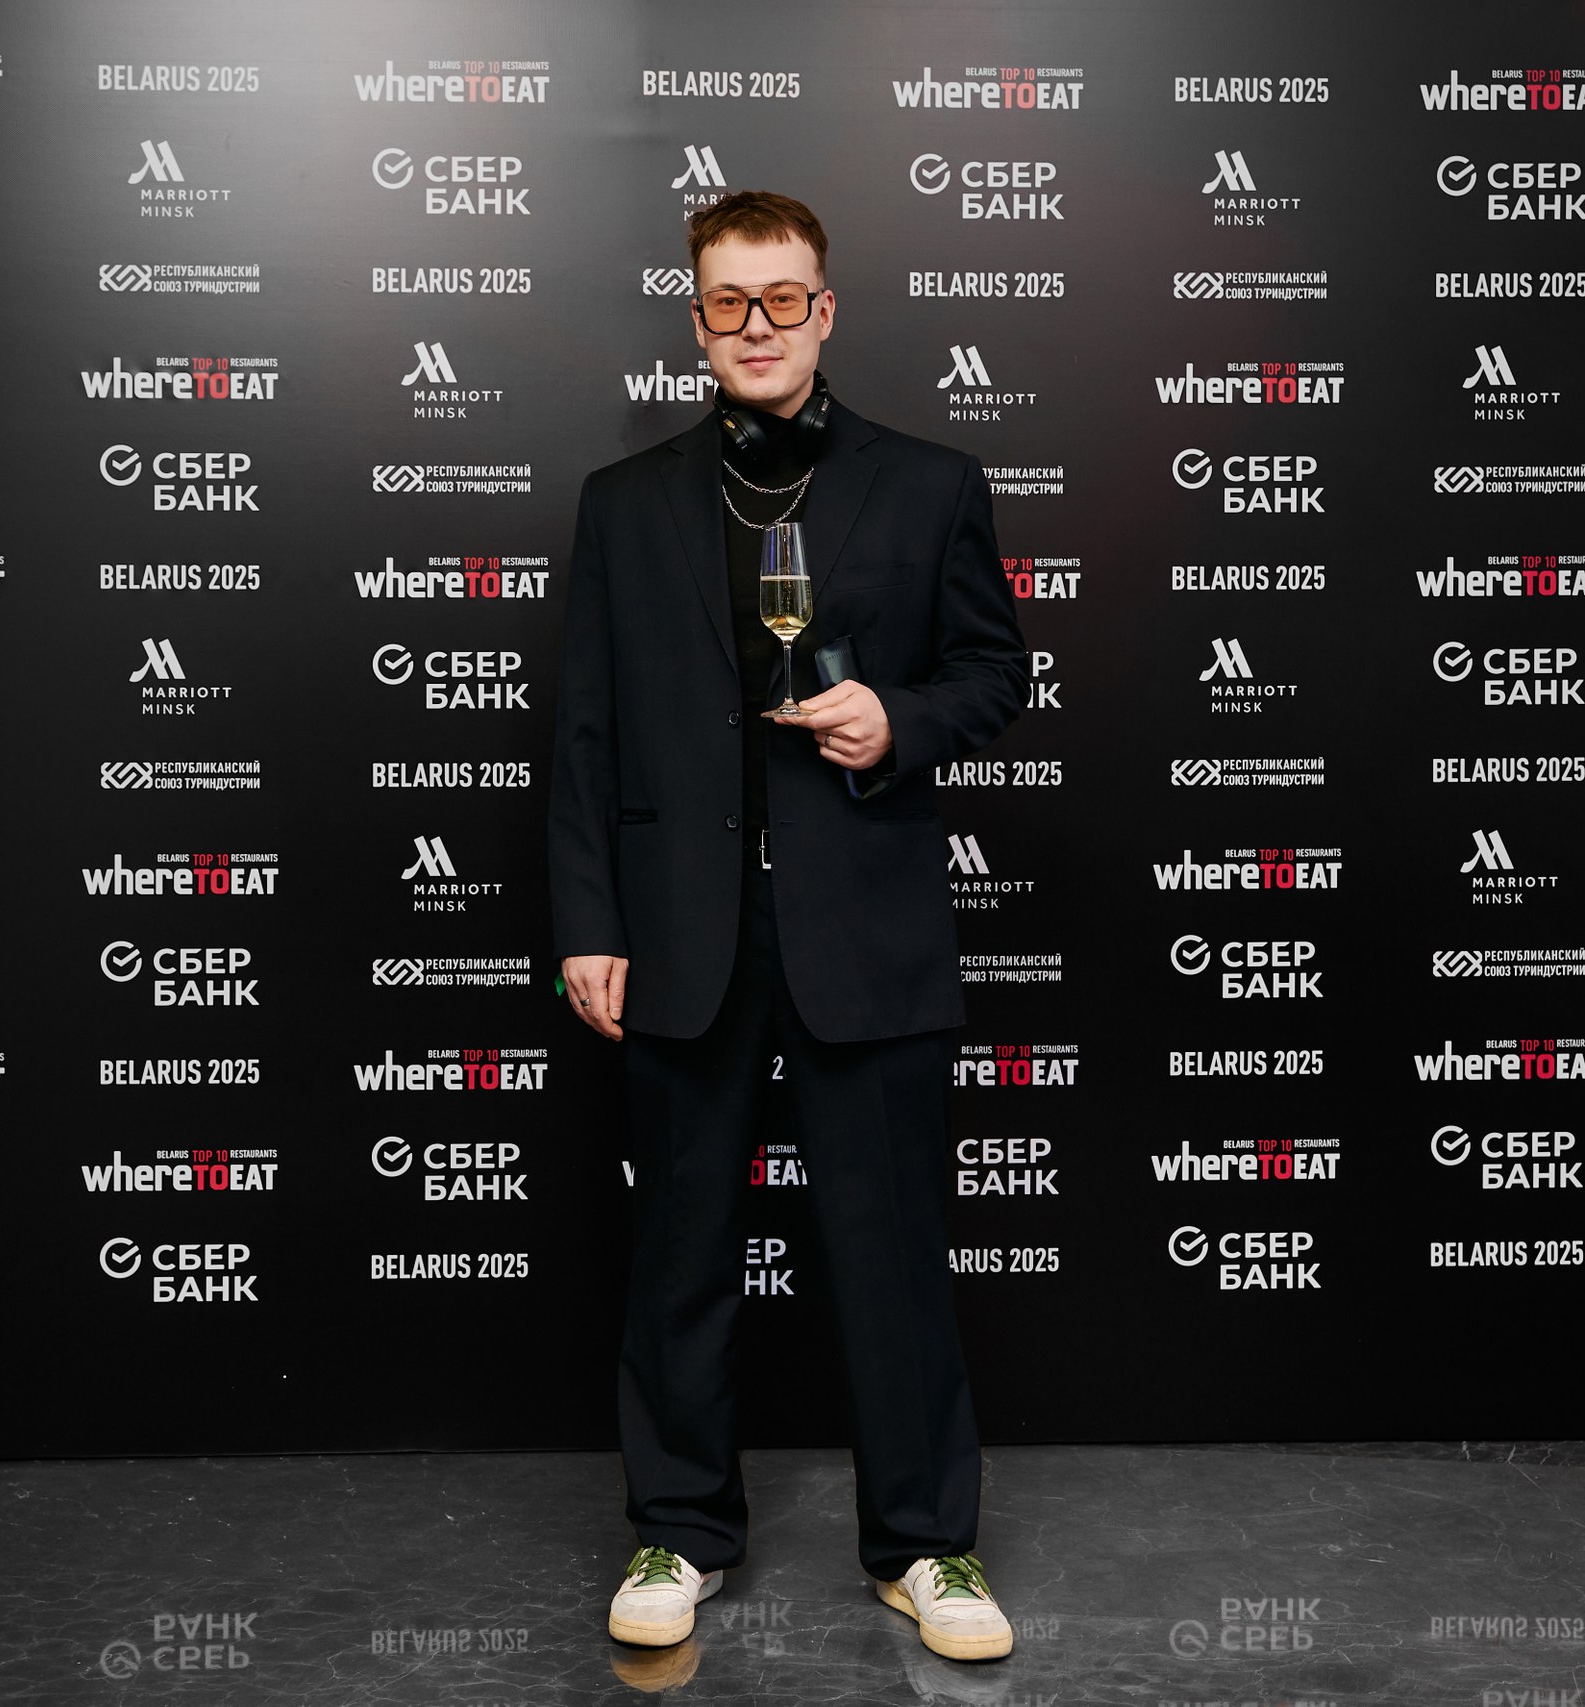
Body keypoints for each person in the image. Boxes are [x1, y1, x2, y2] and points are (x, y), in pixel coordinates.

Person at [546, 190, 1030, 1663]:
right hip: (681, 933)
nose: (756, 326)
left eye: (783, 299)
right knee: (679, 1247)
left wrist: (898, 723)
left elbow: (993, 676)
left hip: (863, 923)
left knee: (893, 1255)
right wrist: (590, 921)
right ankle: (678, 1529)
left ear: (826, 310)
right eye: (727, 302)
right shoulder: (624, 502)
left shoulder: (931, 482)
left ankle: (928, 1547)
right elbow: (584, 733)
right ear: (696, 322)